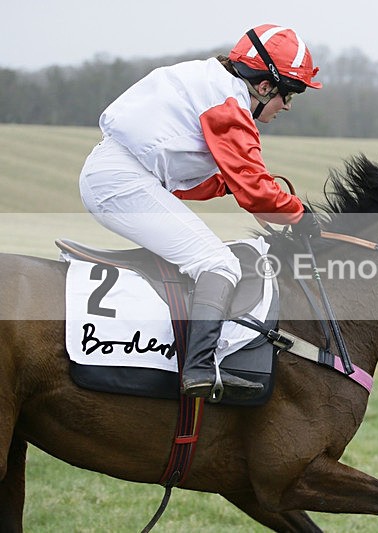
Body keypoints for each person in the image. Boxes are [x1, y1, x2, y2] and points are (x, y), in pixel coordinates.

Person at [78, 24, 322, 401]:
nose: (287, 106)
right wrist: (299, 214)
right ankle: (199, 369)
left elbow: (193, 180)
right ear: (264, 86)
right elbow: (256, 191)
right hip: (122, 182)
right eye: (288, 94)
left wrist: (233, 186)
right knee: (219, 263)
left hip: (121, 175)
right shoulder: (228, 103)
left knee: (206, 259)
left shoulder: (211, 83)